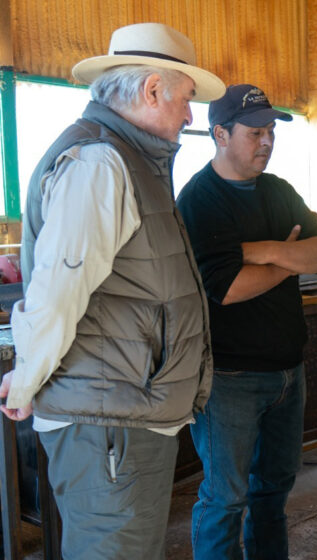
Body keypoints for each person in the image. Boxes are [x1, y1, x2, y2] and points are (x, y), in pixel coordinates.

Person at [0, 22, 224, 559]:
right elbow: (57, 290)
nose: (190, 115)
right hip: (108, 423)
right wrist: (27, 379)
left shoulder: (128, 160)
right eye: (186, 99)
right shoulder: (100, 164)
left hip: (120, 413)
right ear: (152, 90)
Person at [177, 83, 317, 560]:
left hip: (289, 370)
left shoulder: (279, 190)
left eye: (271, 131)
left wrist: (265, 252)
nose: (267, 141)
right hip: (229, 378)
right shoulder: (198, 200)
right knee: (226, 498)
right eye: (255, 132)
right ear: (220, 134)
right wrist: (291, 257)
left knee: (273, 491)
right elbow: (225, 289)